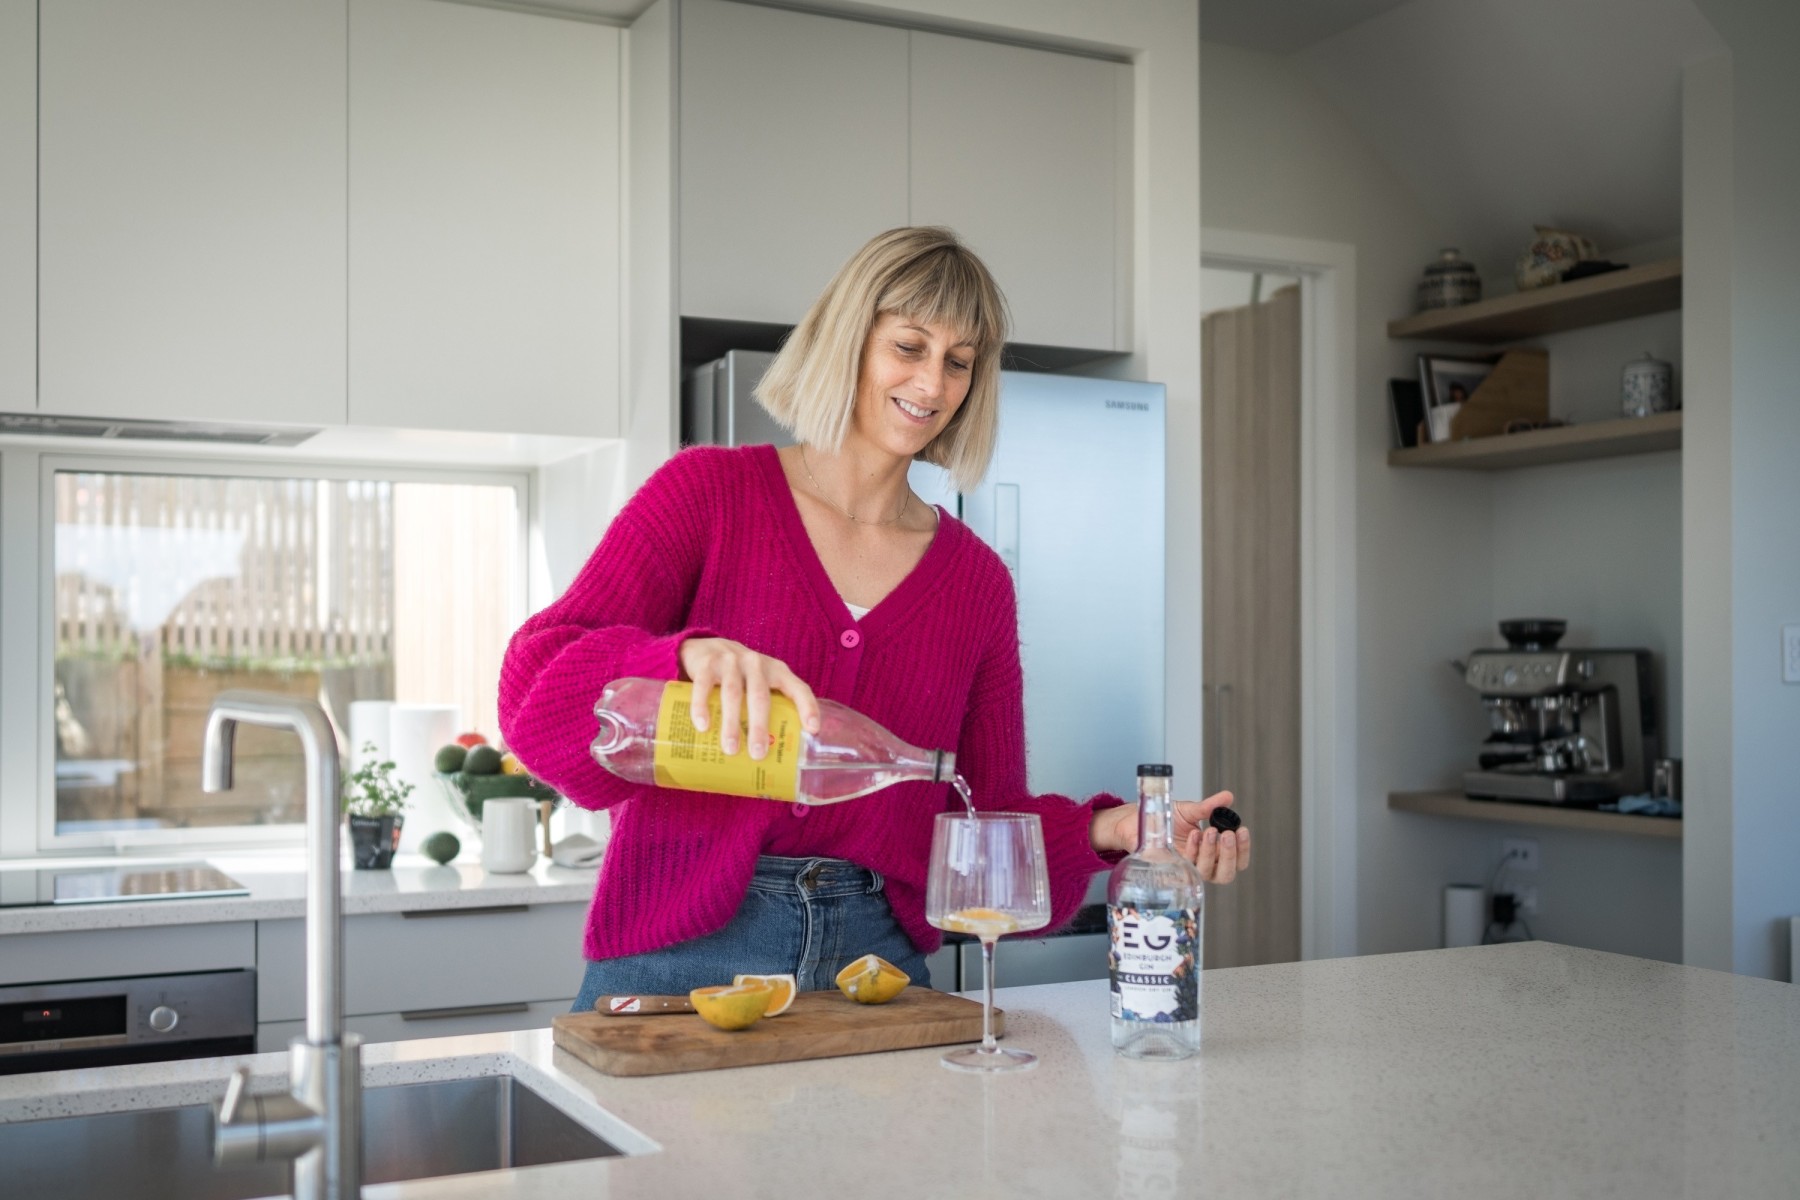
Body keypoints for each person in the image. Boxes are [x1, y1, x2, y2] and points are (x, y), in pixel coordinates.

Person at [498, 227, 1251, 1010]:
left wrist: (1111, 833)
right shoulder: (707, 496)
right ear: (850, 342)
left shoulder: (975, 582)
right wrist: (679, 664)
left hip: (876, 971)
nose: (933, 382)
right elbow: (532, 701)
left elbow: (981, 815)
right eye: (910, 346)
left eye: (959, 361)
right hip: (678, 961)